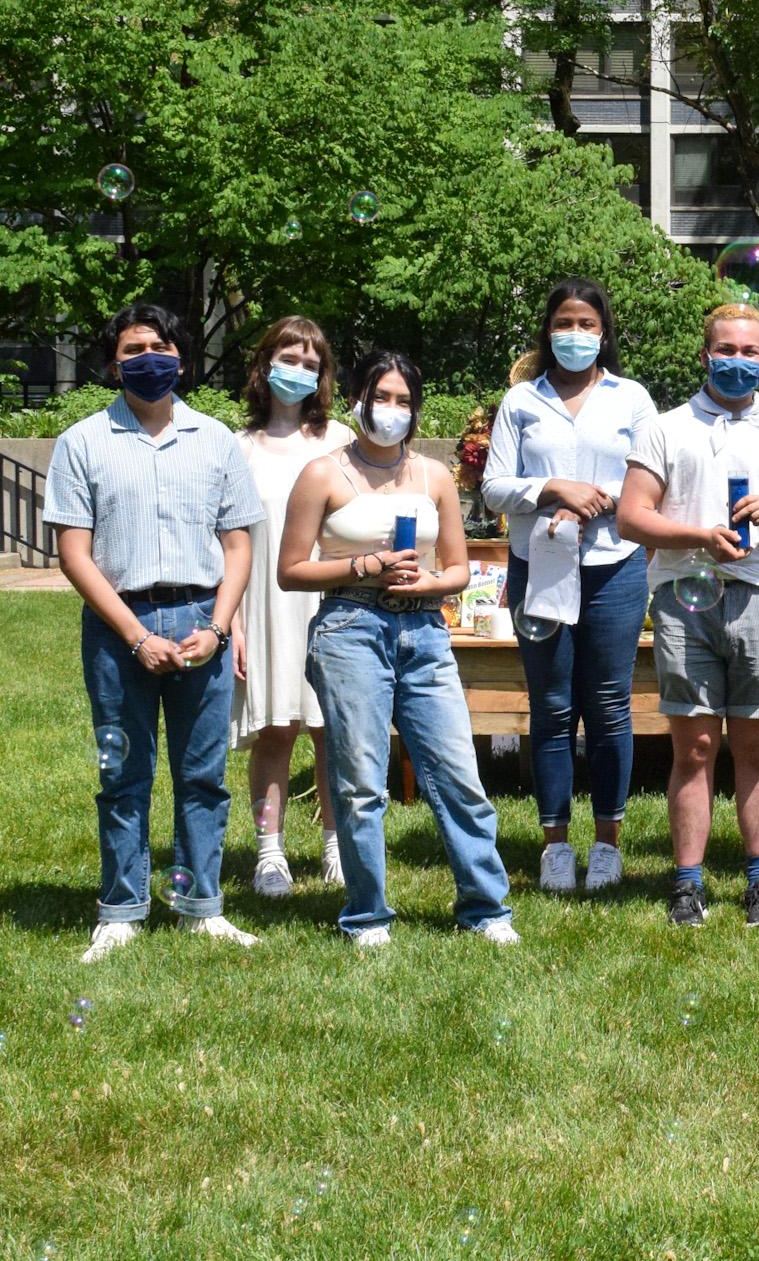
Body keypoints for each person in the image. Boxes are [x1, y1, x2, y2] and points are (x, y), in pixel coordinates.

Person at [48, 303, 268, 963]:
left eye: (160, 345)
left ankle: (202, 904)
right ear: (113, 362)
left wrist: (218, 625)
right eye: (133, 347)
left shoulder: (216, 439)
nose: (149, 357)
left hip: (203, 616)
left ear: (181, 356)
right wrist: (136, 635)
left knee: (203, 773)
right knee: (124, 773)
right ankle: (120, 908)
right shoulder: (82, 442)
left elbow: (238, 544)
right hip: (121, 624)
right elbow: (74, 553)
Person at [278, 352, 518, 948]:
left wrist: (428, 583)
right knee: (361, 781)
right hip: (350, 626)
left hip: (425, 630)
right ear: (357, 400)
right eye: (380, 397)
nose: (391, 410)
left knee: (459, 773)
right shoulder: (322, 474)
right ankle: (367, 914)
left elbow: (459, 569)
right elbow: (290, 570)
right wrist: (365, 564)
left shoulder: (434, 476)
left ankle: (486, 909)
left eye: (403, 400)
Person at [618, 304, 759, 929]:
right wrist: (698, 537)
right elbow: (632, 517)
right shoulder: (666, 427)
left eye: (751, 352)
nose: (739, 361)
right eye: (726, 350)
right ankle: (688, 884)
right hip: (687, 595)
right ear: (706, 354)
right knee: (696, 747)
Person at [482, 278, 658, 894]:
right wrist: (553, 490)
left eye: (587, 324)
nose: (575, 335)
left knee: (609, 706)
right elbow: (494, 487)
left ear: (604, 331)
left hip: (615, 564)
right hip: (542, 562)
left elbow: (651, 480)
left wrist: (601, 504)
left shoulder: (631, 399)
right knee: (552, 706)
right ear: (548, 329)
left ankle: (607, 843)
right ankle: (555, 844)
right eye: (564, 323)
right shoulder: (521, 402)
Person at [232, 315, 353, 897]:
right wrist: (228, 622)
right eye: (289, 358)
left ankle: (337, 846)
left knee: (334, 730)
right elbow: (224, 541)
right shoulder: (237, 448)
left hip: (330, 602)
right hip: (262, 605)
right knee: (274, 731)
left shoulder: (341, 442)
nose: (298, 371)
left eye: (311, 363)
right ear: (264, 363)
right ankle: (270, 853)